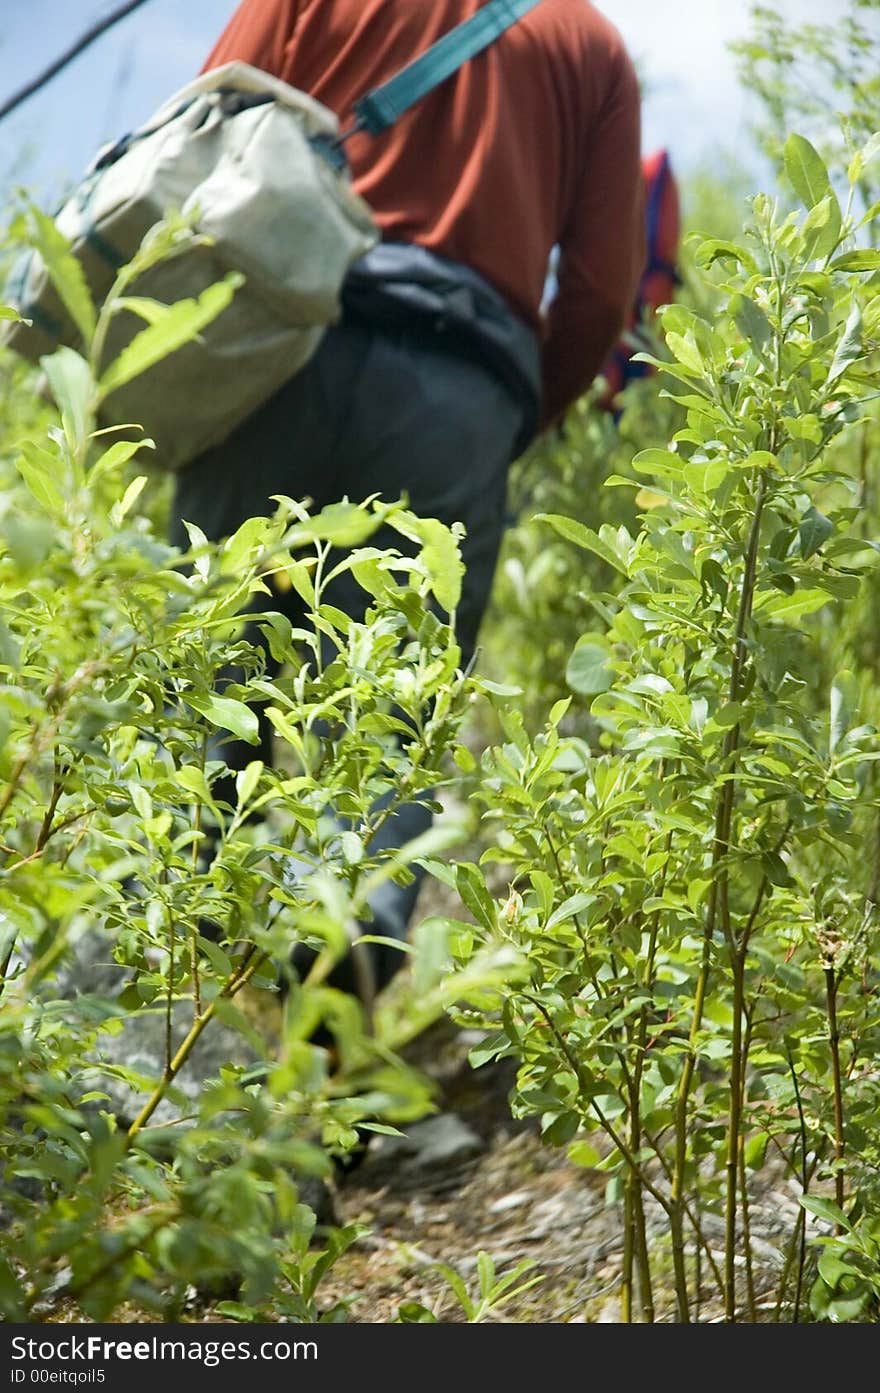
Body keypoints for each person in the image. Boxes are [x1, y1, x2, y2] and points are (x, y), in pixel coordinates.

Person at [172, 0, 645, 996]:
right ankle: (341, 968)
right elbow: (604, 293)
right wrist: (508, 417)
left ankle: (189, 965)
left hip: (277, 341)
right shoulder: (589, 43)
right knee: (397, 710)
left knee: (220, 666)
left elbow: (200, 132)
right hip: (462, 386)